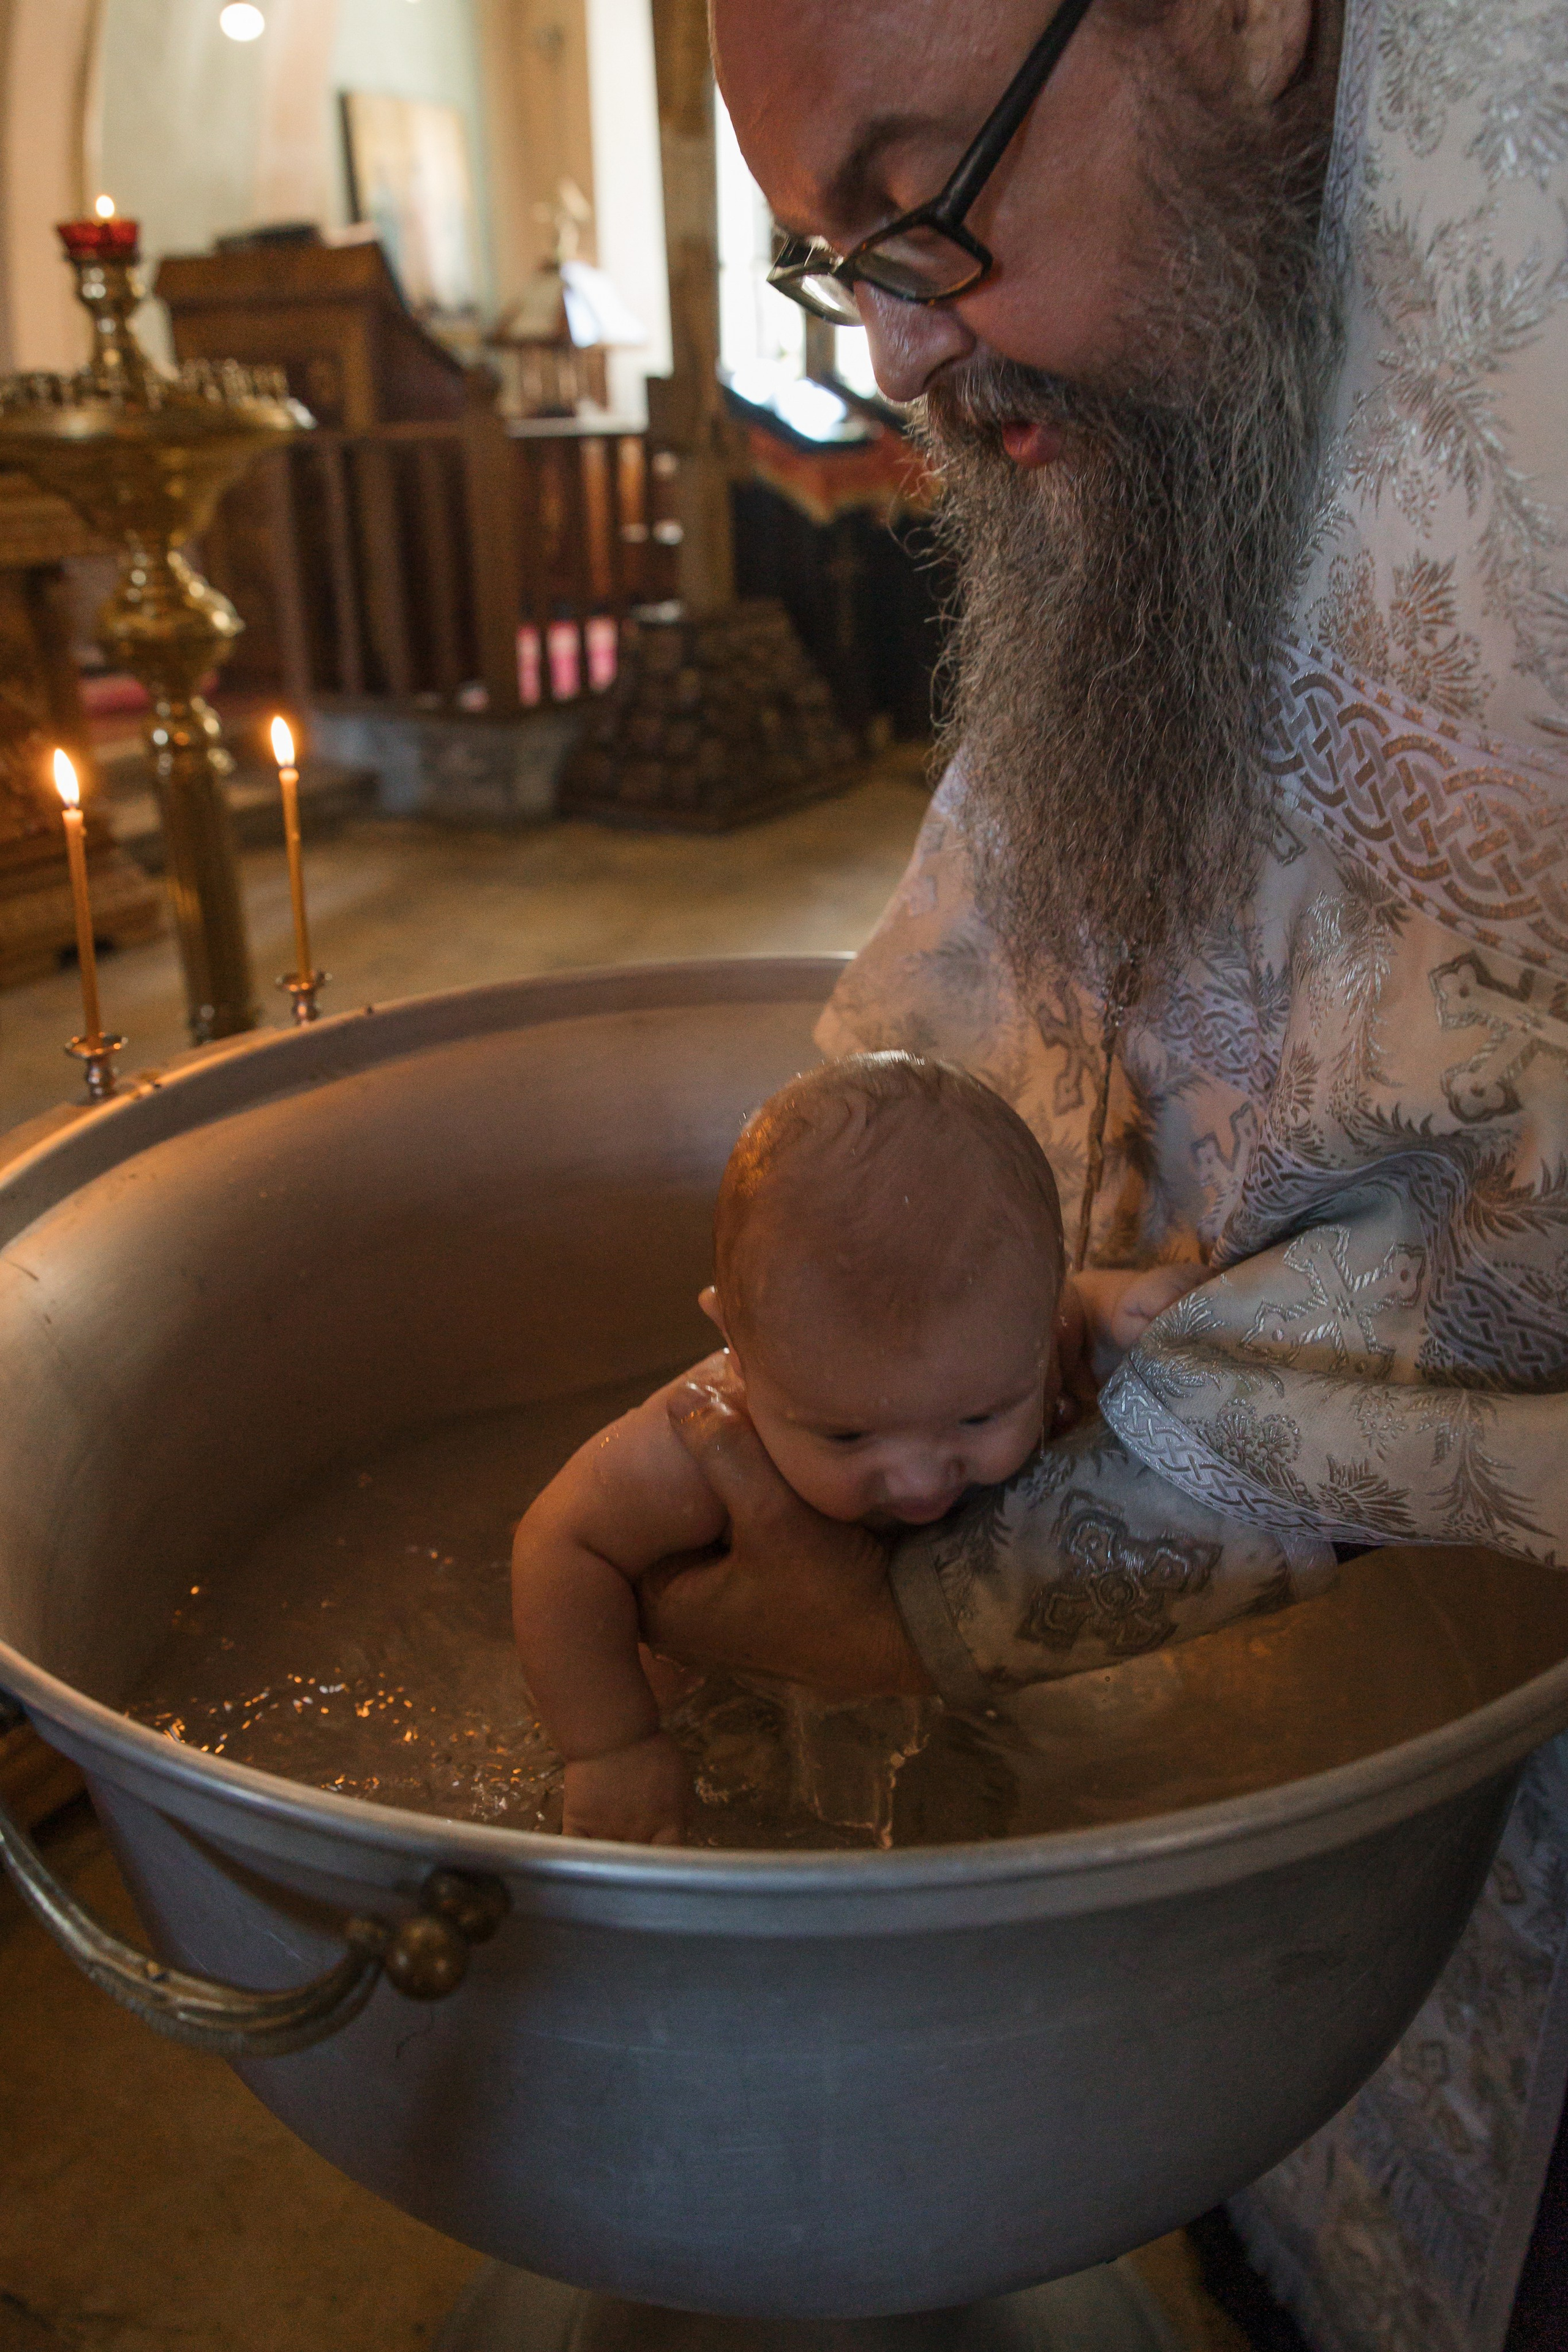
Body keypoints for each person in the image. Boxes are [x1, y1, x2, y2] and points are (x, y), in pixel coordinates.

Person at [635, 0, 1568, 2342]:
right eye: (827, 263)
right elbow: (1022, 888)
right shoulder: (1137, 322)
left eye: (923, 208)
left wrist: (942, 1594)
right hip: (1282, 1803)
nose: (895, 357)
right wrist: (849, 1315)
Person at [512, 1052, 1196, 1842]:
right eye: (846, 1434)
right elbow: (558, 1543)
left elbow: (1080, 1304)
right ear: (739, 1345)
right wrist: (613, 1748)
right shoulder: (702, 1441)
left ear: (1040, 1326)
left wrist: (1126, 1307)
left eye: (977, 1418)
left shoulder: (1015, 1337)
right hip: (725, 1692)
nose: (916, 1475)